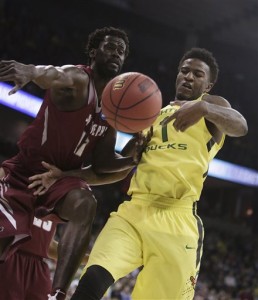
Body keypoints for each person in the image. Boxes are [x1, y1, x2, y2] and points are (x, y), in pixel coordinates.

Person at [69, 47, 248, 300]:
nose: (188, 77)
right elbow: (120, 169)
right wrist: (68, 175)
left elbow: (241, 125)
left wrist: (204, 109)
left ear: (208, 86)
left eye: (197, 74)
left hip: (177, 219)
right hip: (133, 212)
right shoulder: (148, 115)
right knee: (92, 282)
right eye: (184, 71)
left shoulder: (211, 106)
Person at [0, 26, 142, 300]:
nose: (116, 53)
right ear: (93, 52)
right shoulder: (78, 79)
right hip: (24, 174)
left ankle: (59, 294)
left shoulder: (112, 109)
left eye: (121, 51)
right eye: (110, 47)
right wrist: (31, 72)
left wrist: (133, 159)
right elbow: (55, 74)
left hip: (58, 179)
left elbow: (101, 166)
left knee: (85, 203)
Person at [0, 165, 126, 300]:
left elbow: (48, 246)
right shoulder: (15, 173)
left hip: (39, 267)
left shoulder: (57, 196)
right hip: (10, 257)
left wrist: (89, 259)